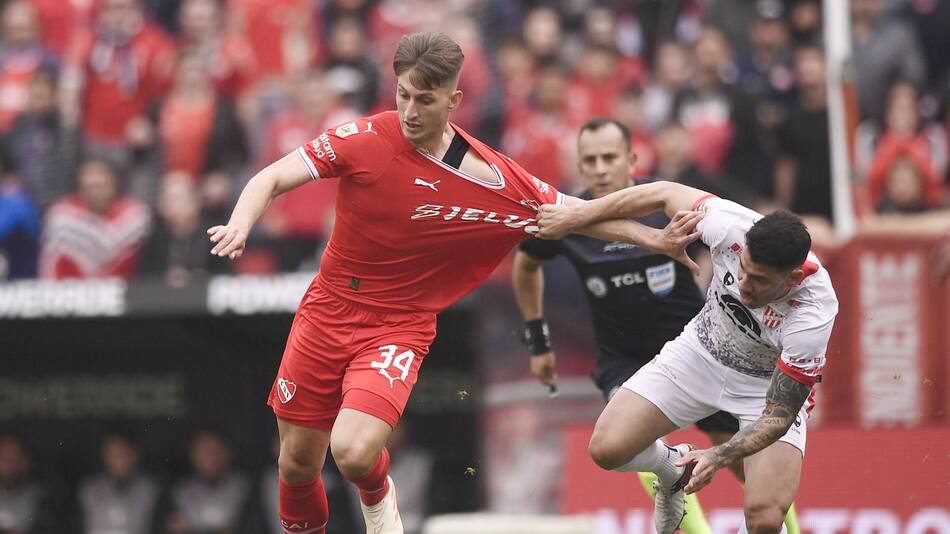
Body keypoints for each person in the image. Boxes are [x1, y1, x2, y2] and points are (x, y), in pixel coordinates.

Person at [207, 32, 701, 534]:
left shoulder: (490, 176)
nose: (410, 111)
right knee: (296, 463)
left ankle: (377, 494)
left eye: (424, 100)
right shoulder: (364, 137)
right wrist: (240, 224)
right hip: (327, 308)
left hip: (398, 324)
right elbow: (270, 177)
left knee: (353, 453)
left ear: (453, 100)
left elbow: (575, 213)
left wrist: (654, 238)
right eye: (403, 94)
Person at [515, 119, 799, 534]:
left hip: (700, 354)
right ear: (579, 165)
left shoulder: (667, 204)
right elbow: (526, 266)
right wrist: (538, 339)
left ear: (632, 159)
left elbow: (734, 247)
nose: (600, 168)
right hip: (624, 359)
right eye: (590, 160)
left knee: (748, 469)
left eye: (609, 157)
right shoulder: (570, 218)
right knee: (631, 445)